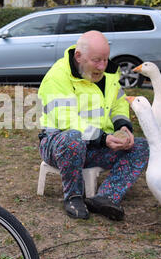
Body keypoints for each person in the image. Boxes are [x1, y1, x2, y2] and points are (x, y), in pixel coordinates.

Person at [38, 30, 149, 220]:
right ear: (78, 57)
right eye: (97, 60)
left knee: (142, 146)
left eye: (106, 59)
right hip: (58, 144)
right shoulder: (57, 77)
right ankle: (73, 197)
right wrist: (104, 138)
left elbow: (119, 103)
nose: (102, 66)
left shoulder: (109, 74)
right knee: (73, 139)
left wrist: (122, 128)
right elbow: (65, 119)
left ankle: (105, 197)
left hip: (97, 144)